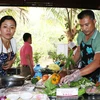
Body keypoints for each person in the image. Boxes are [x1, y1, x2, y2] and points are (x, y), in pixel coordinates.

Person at [60, 9, 100, 84]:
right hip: (83, 73)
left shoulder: (98, 39)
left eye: (87, 25)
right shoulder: (81, 35)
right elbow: (78, 51)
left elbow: (97, 62)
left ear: (94, 22)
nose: (84, 28)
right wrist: (68, 66)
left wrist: (76, 74)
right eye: (81, 25)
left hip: (97, 77)